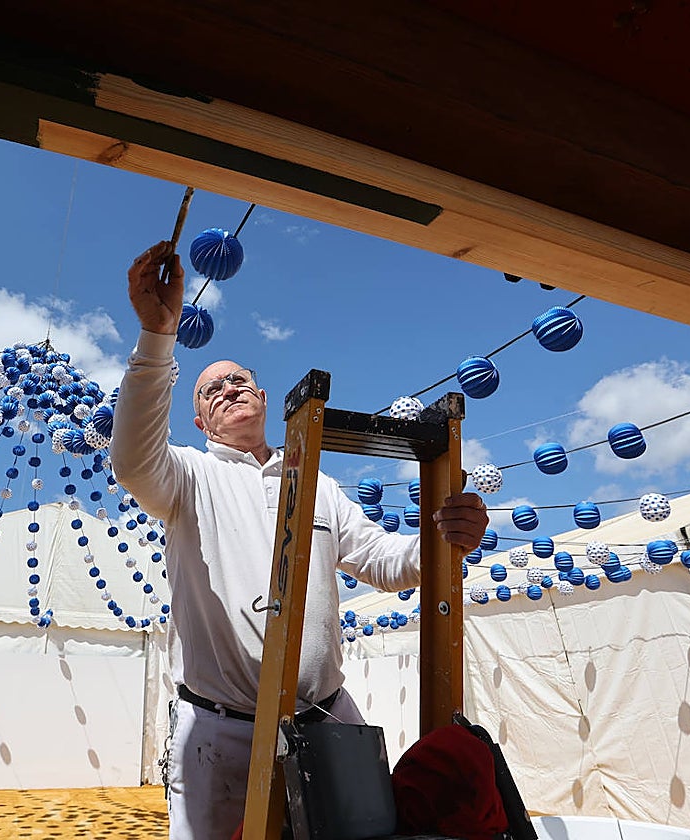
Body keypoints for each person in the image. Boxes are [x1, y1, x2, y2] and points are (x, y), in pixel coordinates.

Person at [109, 240, 489, 840]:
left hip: (330, 719)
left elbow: (386, 561)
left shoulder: (316, 484)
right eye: (213, 391)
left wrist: (445, 539)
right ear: (200, 423)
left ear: (264, 397)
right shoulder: (186, 475)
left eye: (240, 381)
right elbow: (131, 460)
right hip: (223, 736)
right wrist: (159, 336)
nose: (230, 390)